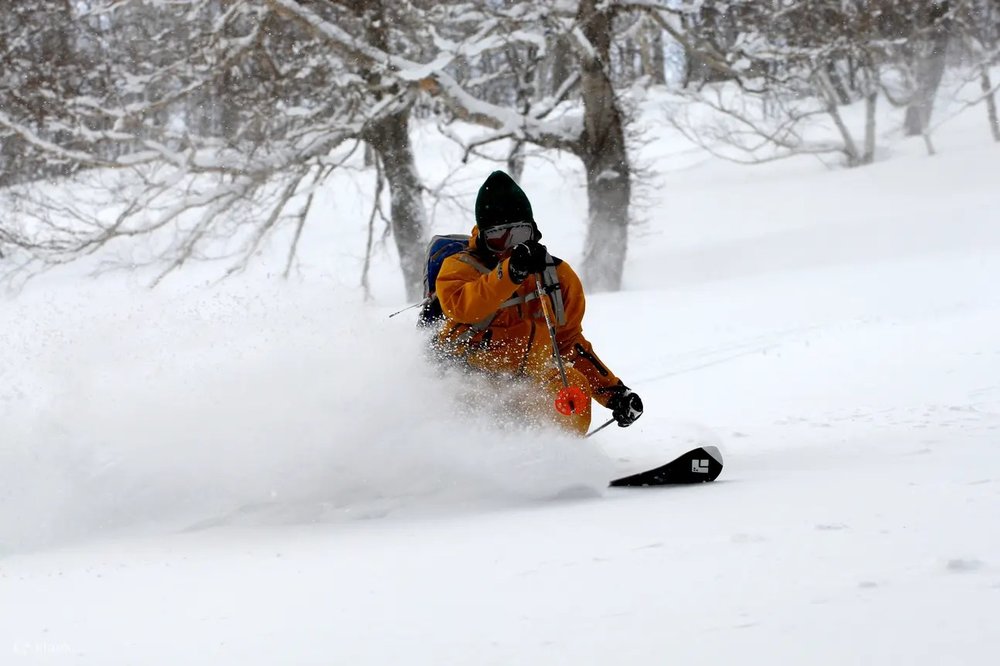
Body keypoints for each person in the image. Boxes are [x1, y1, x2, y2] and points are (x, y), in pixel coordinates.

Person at [433, 170, 643, 436]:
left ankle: (562, 458)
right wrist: (510, 273)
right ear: (484, 237)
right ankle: (470, 462)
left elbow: (569, 343)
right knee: (470, 404)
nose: (510, 246)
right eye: (499, 237)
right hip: (469, 380)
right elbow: (463, 307)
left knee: (571, 385)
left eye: (520, 234)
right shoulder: (460, 268)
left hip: (529, 383)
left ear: (533, 231)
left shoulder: (557, 276)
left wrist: (614, 394)